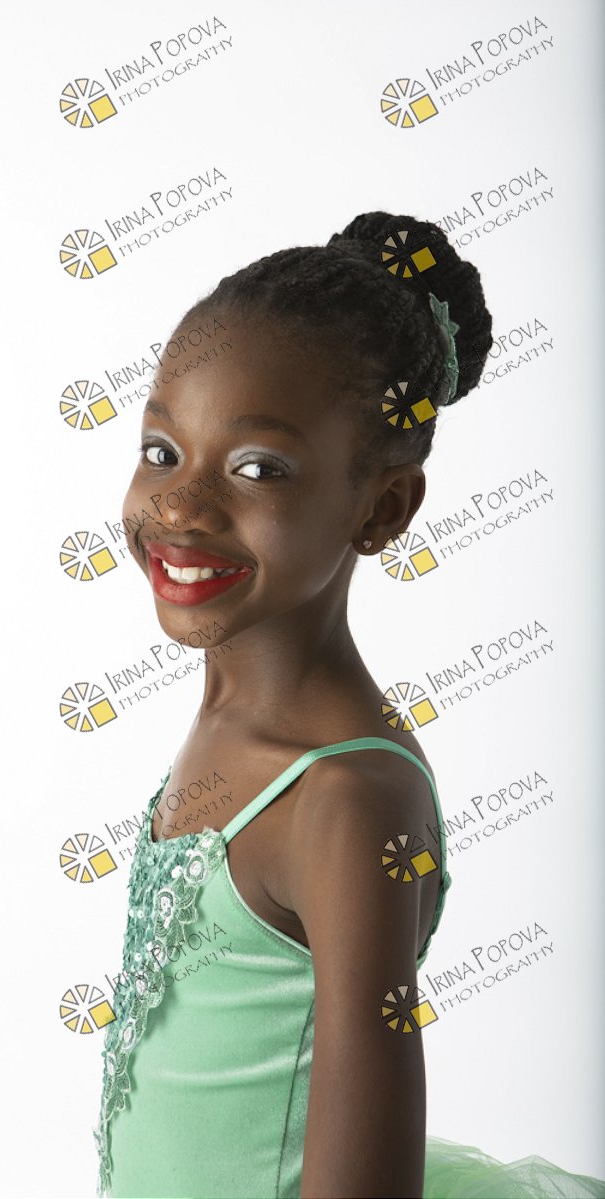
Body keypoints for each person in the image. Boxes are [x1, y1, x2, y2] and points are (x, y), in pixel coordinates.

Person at [91, 211, 605, 1198]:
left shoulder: (346, 798)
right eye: (161, 449)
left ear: (381, 508)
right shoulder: (236, 718)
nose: (180, 504)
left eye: (257, 468)